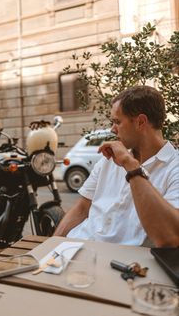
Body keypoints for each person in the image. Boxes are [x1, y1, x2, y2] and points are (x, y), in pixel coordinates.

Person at [54, 85, 179, 247]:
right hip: (76, 247)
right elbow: (82, 207)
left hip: (121, 264)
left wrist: (131, 166)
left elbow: (169, 237)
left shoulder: (174, 167)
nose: (112, 129)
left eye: (117, 122)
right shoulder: (109, 160)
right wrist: (52, 245)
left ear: (141, 122)